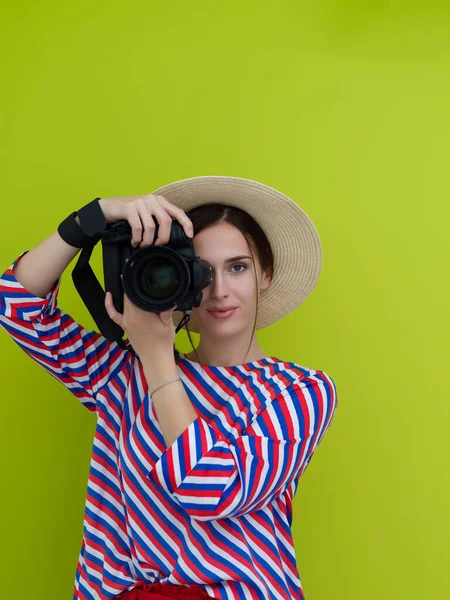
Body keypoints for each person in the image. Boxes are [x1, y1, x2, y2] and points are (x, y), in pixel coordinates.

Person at [0, 175, 338, 600]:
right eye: (201, 270)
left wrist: (157, 357)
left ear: (265, 275)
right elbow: (17, 305)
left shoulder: (299, 392)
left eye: (238, 267)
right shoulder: (122, 375)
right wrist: (94, 216)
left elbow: (210, 489)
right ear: (179, 277)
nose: (218, 290)